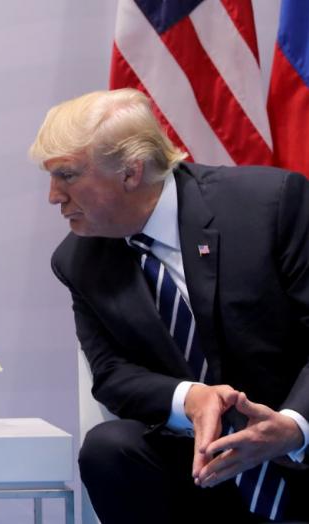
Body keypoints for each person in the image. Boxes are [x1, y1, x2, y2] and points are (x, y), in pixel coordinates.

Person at [29, 88, 309, 523]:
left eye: (67, 175)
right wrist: (190, 398)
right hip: (198, 469)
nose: (53, 196)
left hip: (301, 450)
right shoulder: (79, 260)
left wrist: (293, 427)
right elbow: (112, 374)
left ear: (130, 172)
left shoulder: (269, 206)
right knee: (109, 448)